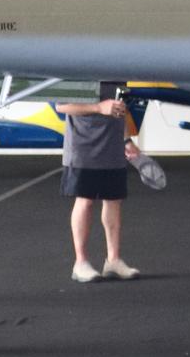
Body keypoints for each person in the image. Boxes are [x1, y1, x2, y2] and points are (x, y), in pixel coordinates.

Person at [57, 89, 141, 283]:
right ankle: (81, 263)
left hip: (112, 144)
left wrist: (126, 140)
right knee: (85, 200)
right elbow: (62, 106)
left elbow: (119, 109)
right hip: (83, 146)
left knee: (113, 200)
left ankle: (113, 261)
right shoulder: (78, 65)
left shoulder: (117, 70)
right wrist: (98, 107)